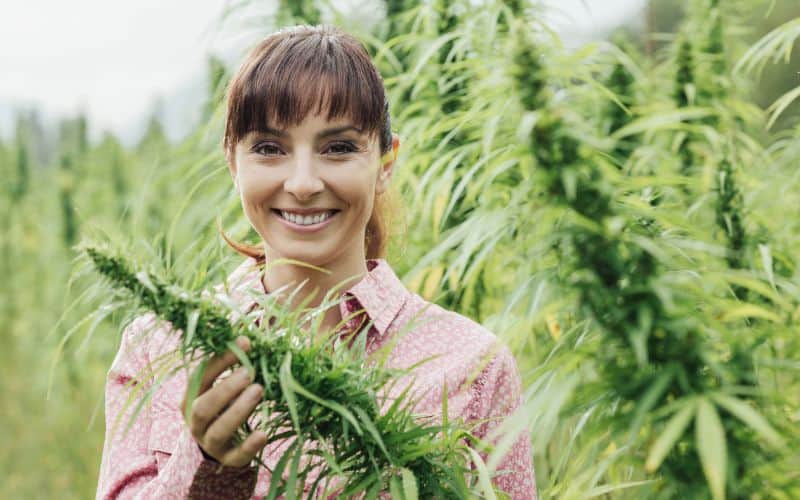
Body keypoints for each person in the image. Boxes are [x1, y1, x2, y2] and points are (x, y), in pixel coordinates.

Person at [96, 24, 536, 499]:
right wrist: (205, 469)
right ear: (232, 162)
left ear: (386, 163)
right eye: (269, 148)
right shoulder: (157, 348)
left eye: (339, 148)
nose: (303, 182)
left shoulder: (472, 364)